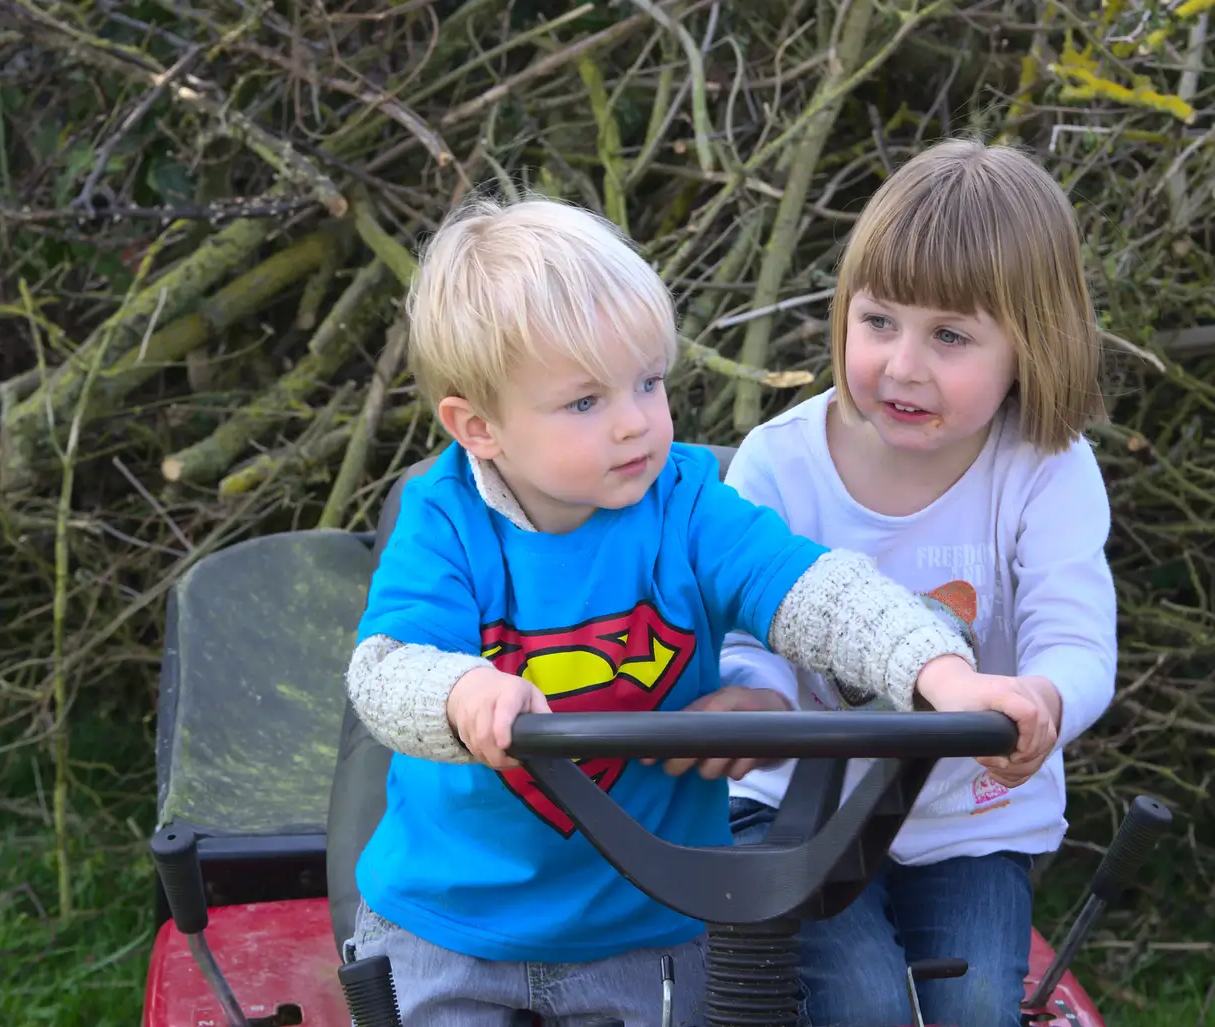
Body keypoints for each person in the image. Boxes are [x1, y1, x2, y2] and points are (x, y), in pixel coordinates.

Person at [340, 191, 1056, 1027]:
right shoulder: (447, 520)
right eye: (585, 402)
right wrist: (462, 694)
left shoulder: (687, 504)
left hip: (651, 930)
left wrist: (941, 674)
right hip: (452, 927)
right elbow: (386, 669)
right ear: (479, 425)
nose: (636, 423)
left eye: (648, 382)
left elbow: (822, 593)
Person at [719, 137, 1119, 1027]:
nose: (903, 365)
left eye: (949, 336)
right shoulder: (779, 464)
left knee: (975, 1006)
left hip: (966, 820)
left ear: (1031, 344)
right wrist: (755, 698)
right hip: (796, 816)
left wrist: (1044, 696)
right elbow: (744, 625)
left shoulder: (1046, 469)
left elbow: (1078, 635)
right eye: (879, 322)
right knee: (862, 1003)